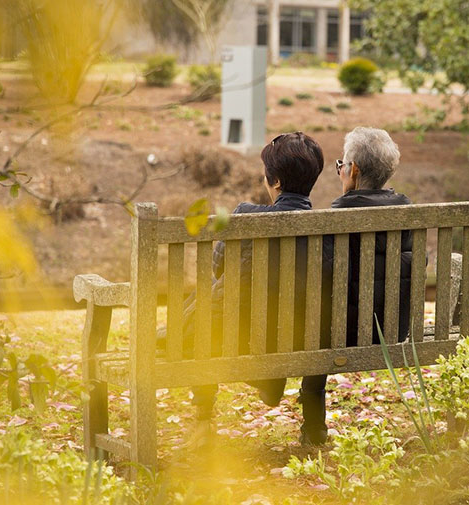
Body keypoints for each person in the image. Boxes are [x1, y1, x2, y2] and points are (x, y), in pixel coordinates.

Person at [176, 131, 325, 442]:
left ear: (276, 182)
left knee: (206, 312)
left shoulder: (246, 215)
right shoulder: (328, 228)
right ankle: (303, 416)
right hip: (303, 338)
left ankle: (203, 418)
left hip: (237, 336)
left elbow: (219, 268)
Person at [308, 126, 415, 444]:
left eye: (340, 165)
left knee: (315, 329)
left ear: (352, 171)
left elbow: (322, 277)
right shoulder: (406, 212)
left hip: (345, 334)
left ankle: (313, 431)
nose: (340, 170)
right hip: (394, 329)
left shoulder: (338, 216)